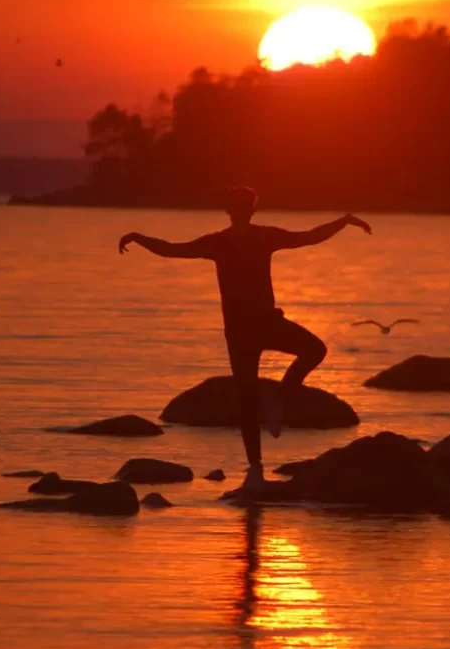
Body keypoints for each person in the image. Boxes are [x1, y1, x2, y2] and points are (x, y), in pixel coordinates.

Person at [118, 186, 372, 490]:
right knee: (250, 399)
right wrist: (138, 237)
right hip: (242, 333)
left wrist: (342, 222)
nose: (240, 211)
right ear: (238, 210)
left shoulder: (255, 238)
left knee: (312, 351)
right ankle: (256, 466)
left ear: (247, 210)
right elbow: (174, 249)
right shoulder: (221, 242)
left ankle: (274, 413)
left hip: (260, 325)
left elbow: (308, 237)